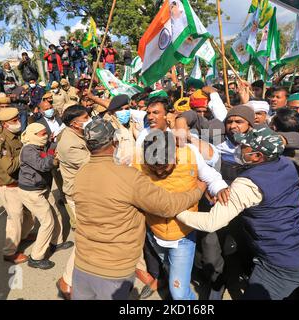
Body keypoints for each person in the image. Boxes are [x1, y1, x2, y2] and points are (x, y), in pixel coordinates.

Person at [71, 118, 206, 300]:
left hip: (82, 265)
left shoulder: (81, 173)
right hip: (114, 269)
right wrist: (198, 191)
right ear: (114, 142)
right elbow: (167, 206)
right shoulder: (128, 177)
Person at [177, 127, 299, 300]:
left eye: (244, 146)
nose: (239, 148)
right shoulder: (285, 163)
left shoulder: (247, 184)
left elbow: (211, 222)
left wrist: (176, 211)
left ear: (257, 156)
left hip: (278, 266)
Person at [134, 130, 228, 300]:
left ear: (175, 155)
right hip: (154, 233)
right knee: (168, 265)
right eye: (154, 169)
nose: (160, 173)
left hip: (183, 235)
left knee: (178, 293)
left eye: (164, 167)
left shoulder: (190, 154)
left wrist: (219, 187)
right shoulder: (138, 161)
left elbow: (210, 177)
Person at [18, 123, 73, 270]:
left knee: (55, 214)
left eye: (45, 133)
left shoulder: (43, 145)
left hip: (43, 187)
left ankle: (57, 242)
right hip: (31, 191)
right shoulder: (28, 150)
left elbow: (54, 146)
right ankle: (36, 257)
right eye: (42, 134)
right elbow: (42, 164)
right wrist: (53, 160)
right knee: (47, 221)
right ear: (33, 135)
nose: (45, 136)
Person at [55, 105, 91, 299]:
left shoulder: (77, 134)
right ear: (74, 123)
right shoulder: (69, 143)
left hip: (86, 191)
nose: (89, 119)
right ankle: (67, 281)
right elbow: (94, 161)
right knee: (86, 239)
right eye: (86, 117)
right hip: (79, 195)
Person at [0, 107, 33, 264]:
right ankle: (9, 252)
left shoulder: (15, 136)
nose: (17, 122)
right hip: (8, 187)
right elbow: (9, 167)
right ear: (4, 124)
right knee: (15, 218)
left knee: (29, 214)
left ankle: (23, 235)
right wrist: (25, 154)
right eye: (14, 120)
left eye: (17, 118)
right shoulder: (1, 143)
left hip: (20, 183)